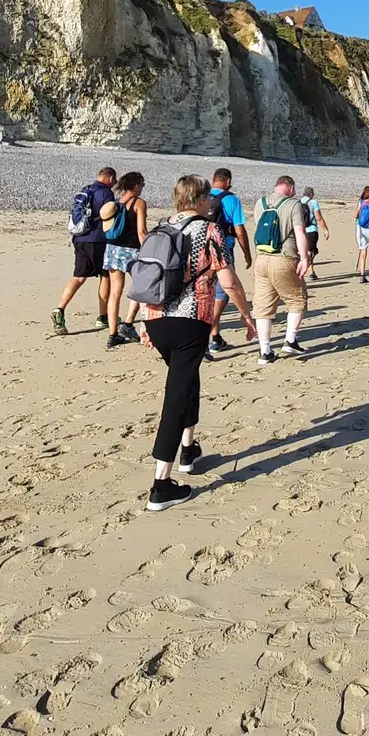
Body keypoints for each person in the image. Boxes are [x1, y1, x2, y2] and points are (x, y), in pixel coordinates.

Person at [135, 175, 256, 510]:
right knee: (176, 395)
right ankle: (161, 484)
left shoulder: (161, 228)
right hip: (191, 321)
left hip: (156, 319)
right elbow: (229, 281)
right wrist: (246, 315)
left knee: (187, 379)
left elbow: (146, 274)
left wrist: (142, 321)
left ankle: (189, 449)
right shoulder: (210, 230)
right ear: (201, 200)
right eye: (208, 200)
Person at [252, 176, 312, 361]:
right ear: (291, 188)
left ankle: (265, 351)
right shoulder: (293, 204)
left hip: (262, 259)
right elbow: (300, 232)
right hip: (284, 258)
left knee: (263, 307)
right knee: (297, 299)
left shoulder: (260, 203)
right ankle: (290, 340)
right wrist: (304, 258)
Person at [52, 166, 117, 335]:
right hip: (98, 239)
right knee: (105, 275)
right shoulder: (106, 193)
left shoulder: (85, 190)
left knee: (79, 277)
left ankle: (60, 309)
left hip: (79, 238)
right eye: (114, 181)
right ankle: (102, 317)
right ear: (110, 178)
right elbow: (108, 217)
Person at [207, 168, 252, 355]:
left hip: (200, 249)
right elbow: (239, 230)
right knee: (223, 292)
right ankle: (209, 331)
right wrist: (247, 253)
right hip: (223, 249)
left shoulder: (202, 196)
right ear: (228, 181)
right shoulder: (231, 199)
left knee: (206, 291)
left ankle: (216, 337)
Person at [101, 171, 147, 347]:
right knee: (140, 288)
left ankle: (112, 334)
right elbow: (141, 231)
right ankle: (128, 323)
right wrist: (149, 250)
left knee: (115, 293)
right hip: (132, 251)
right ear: (135, 185)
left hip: (112, 249)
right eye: (142, 184)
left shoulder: (116, 202)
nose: (142, 188)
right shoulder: (138, 203)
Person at [300, 187, 330, 283]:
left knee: (304, 251)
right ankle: (303, 270)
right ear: (312, 194)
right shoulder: (313, 202)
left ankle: (311, 272)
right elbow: (318, 218)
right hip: (311, 230)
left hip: (300, 230)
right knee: (310, 252)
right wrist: (325, 229)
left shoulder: (297, 203)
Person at [354, 186, 369, 281]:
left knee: (363, 251)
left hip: (360, 228)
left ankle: (362, 275)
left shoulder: (361, 202)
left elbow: (355, 215)